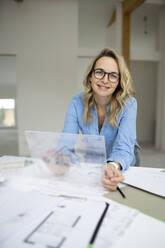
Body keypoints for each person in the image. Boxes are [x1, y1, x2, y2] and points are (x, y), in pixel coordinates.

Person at [63, 48, 139, 191]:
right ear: (90, 76)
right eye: (99, 72)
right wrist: (62, 159)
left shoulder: (129, 104)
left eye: (113, 75)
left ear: (119, 81)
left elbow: (124, 147)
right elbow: (66, 142)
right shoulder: (76, 102)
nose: (105, 79)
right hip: (92, 164)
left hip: (121, 163)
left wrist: (112, 166)